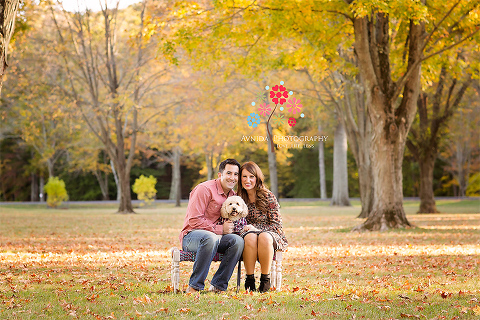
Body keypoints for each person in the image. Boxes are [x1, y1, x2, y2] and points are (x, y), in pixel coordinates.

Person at [179, 158, 244, 293]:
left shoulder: (233, 196)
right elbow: (194, 220)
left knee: (237, 241)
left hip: (217, 238)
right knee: (210, 238)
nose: (232, 178)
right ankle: (194, 286)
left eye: (236, 174)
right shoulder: (204, 189)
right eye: (229, 173)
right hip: (192, 237)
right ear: (220, 175)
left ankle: (218, 286)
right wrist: (221, 229)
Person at [237, 161, 288, 292]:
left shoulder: (268, 196)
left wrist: (257, 229)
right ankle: (249, 279)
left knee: (263, 236)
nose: (247, 180)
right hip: (248, 235)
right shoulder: (237, 198)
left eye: (251, 177)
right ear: (240, 178)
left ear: (257, 178)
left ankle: (265, 280)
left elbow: (277, 225)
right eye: (244, 176)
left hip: (270, 234)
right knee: (250, 237)